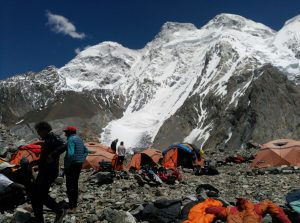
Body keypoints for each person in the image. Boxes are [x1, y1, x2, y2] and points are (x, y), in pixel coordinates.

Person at [28, 121, 67, 223]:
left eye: (39, 131)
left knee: (39, 194)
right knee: (37, 195)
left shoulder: (52, 136)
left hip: (49, 172)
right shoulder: (47, 139)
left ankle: (58, 211)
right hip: (45, 171)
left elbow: (64, 144)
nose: (38, 133)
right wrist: (36, 164)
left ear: (44, 130)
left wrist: (52, 155)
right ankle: (40, 217)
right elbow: (45, 157)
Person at [63, 125, 89, 214]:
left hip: (72, 165)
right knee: (75, 184)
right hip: (78, 165)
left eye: (66, 132)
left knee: (70, 186)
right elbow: (86, 151)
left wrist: (66, 166)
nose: (65, 134)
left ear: (70, 132)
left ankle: (72, 206)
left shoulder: (71, 140)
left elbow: (70, 154)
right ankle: (74, 204)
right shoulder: (79, 139)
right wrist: (82, 159)